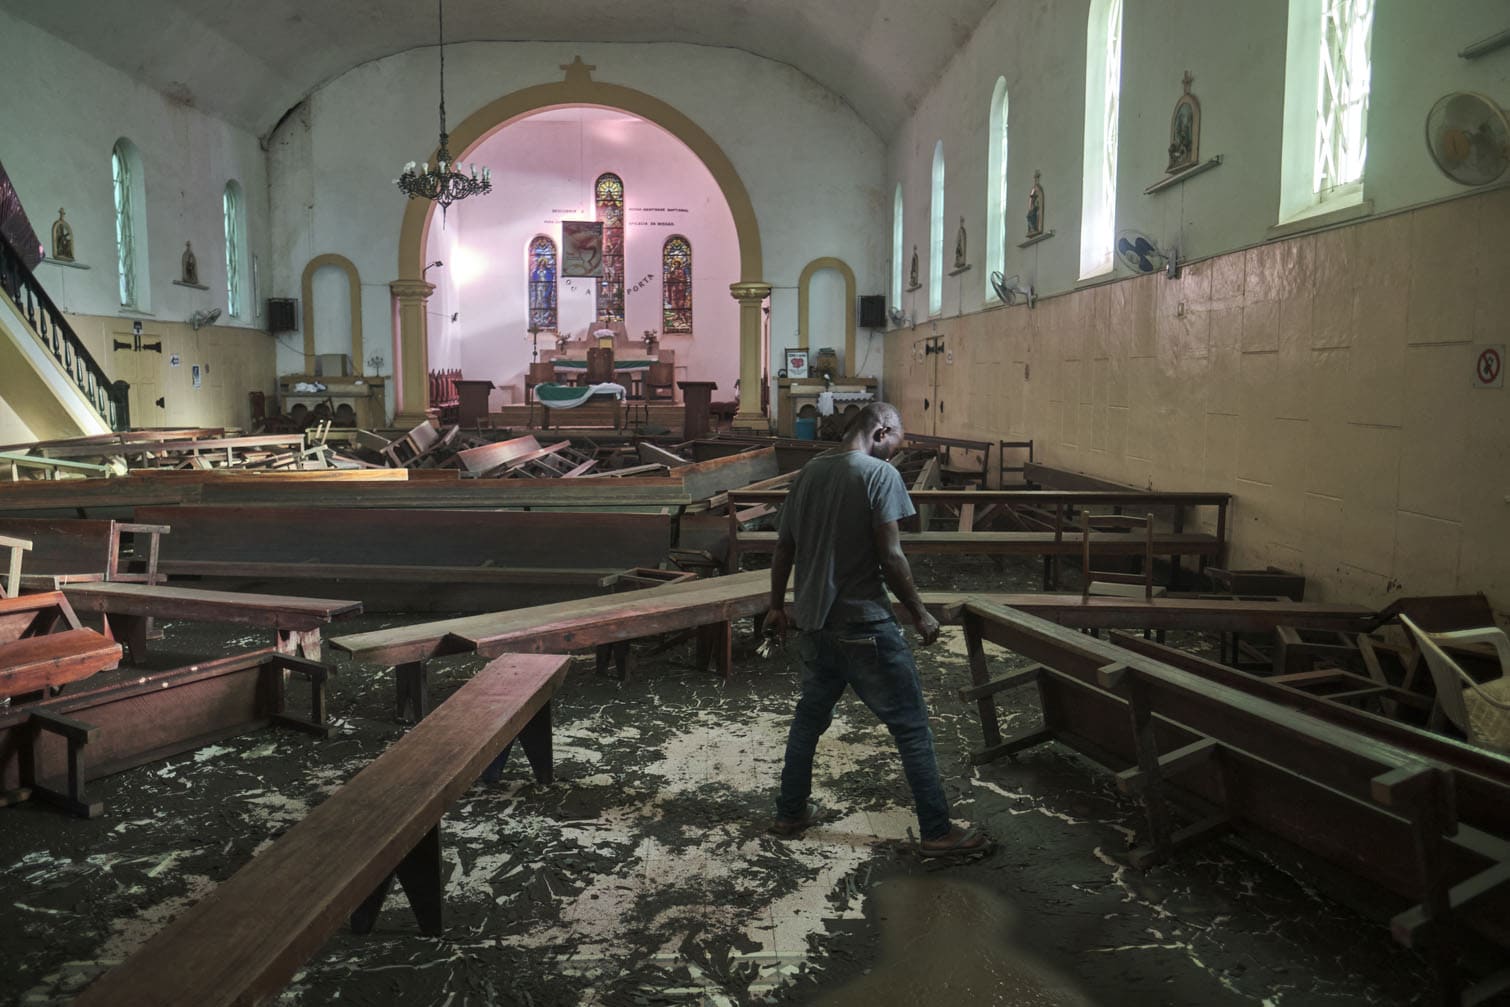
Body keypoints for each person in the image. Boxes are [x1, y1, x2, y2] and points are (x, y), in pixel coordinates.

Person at [763, 402, 993, 860]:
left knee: (808, 722)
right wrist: (920, 612)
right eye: (894, 447)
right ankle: (937, 832)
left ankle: (790, 813)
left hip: (815, 624)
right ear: (882, 430)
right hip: (865, 625)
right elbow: (891, 557)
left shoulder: (808, 473)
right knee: (910, 727)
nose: (892, 457)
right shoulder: (877, 474)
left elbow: (783, 547)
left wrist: (776, 606)